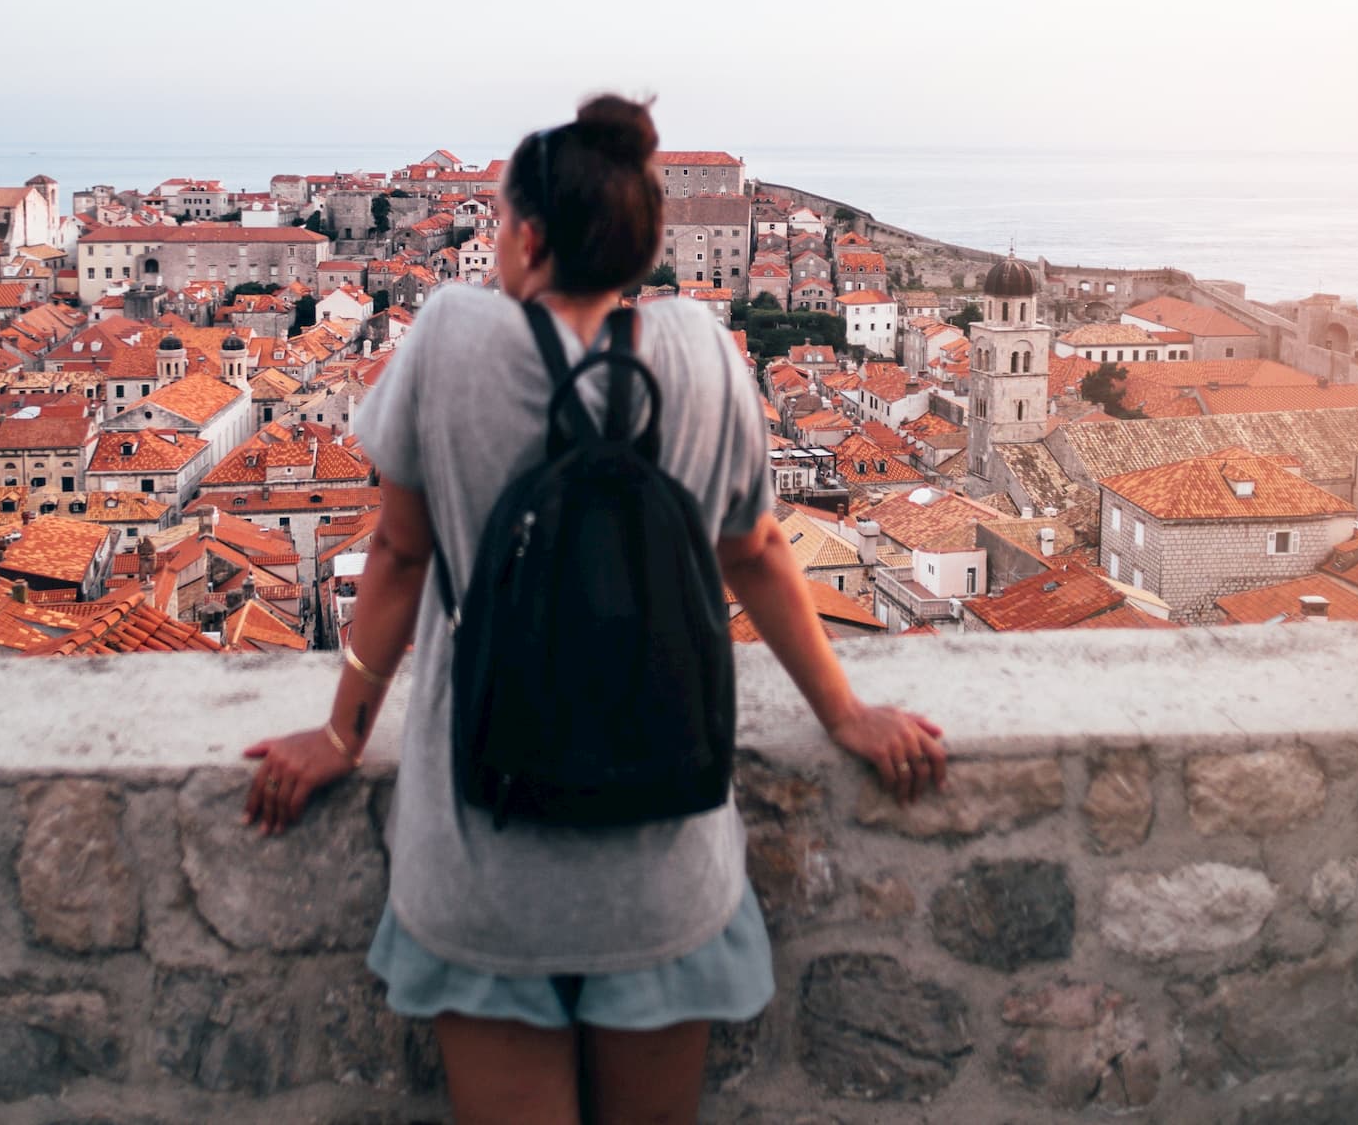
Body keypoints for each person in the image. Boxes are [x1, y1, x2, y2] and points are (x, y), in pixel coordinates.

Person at [242, 94, 946, 1123]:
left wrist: (343, 730)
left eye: (493, 222)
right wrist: (844, 713)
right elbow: (752, 549)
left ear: (525, 236)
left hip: (487, 854)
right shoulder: (704, 351)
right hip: (660, 859)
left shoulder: (450, 338)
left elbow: (397, 551)